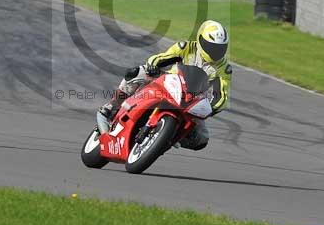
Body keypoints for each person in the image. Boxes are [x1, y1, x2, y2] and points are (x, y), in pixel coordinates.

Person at [96, 20, 232, 151]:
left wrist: (210, 108)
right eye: (211, 46)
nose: (215, 51)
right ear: (200, 39)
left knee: (202, 139)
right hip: (169, 82)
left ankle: (169, 136)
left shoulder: (224, 68)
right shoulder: (186, 47)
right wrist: (153, 66)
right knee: (136, 72)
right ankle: (111, 106)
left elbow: (222, 96)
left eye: (220, 48)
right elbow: (161, 58)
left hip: (192, 100)